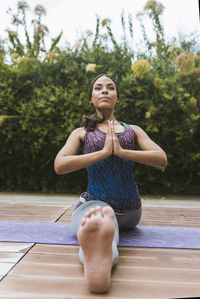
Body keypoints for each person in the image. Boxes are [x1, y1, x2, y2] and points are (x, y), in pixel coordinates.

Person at [54, 74, 167, 294]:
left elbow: (161, 158)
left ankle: (97, 245)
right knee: (107, 230)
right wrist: (103, 153)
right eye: (98, 88)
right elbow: (60, 165)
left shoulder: (133, 130)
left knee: (100, 224)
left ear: (117, 98)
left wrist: (123, 152)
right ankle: (99, 262)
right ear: (91, 99)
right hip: (109, 207)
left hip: (128, 211)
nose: (104, 91)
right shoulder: (82, 133)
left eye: (110, 88)